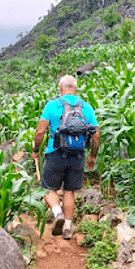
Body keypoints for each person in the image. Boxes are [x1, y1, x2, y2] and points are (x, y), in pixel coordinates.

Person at [31, 74, 100, 239]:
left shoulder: (53, 105)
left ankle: (57, 213)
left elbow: (40, 131)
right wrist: (92, 156)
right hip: (78, 155)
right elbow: (96, 135)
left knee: (48, 188)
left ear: (61, 88)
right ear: (75, 89)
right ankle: (68, 227)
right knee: (69, 191)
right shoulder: (86, 107)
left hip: (55, 153)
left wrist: (35, 149)